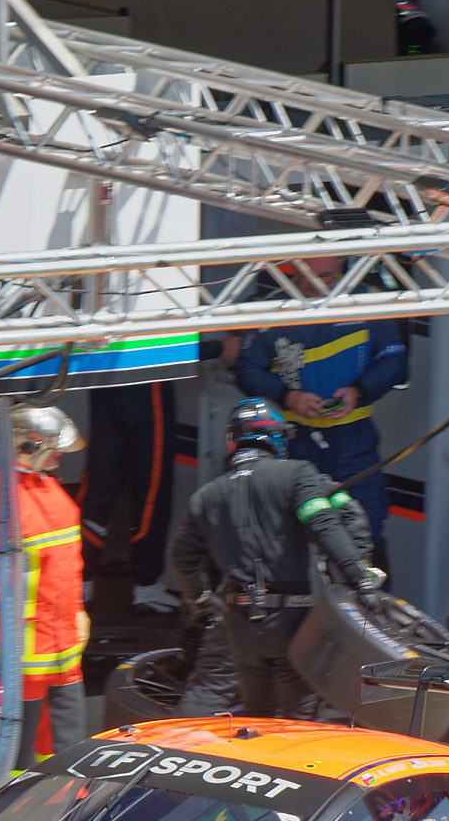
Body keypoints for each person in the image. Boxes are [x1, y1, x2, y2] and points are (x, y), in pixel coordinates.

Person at [168, 398, 378, 719]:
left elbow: (181, 558)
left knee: (254, 715)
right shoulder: (298, 474)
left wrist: (202, 607)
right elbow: (324, 524)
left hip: (239, 622)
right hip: (294, 620)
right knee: (297, 721)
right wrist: (358, 578)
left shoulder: (206, 495)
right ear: (275, 438)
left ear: (231, 441)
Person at [233, 259, 409, 565]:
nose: (315, 284)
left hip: (354, 442)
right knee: (290, 536)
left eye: (325, 276)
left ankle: (369, 608)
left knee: (366, 533)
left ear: (341, 266)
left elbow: (394, 360)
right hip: (294, 443)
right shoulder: (274, 308)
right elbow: (246, 368)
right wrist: (287, 397)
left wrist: (359, 391)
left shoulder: (365, 301)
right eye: (305, 276)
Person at [0, 404, 90, 774]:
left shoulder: (50, 491)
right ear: (29, 445)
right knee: (14, 753)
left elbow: (67, 565)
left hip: (61, 649)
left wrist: (78, 611)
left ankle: (65, 807)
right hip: (15, 656)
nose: (60, 455)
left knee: (67, 747)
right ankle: (8, 818)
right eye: (53, 447)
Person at [79, 381, 178, 614]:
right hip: (148, 381)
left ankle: (82, 581)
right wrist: (218, 349)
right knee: (151, 490)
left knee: (100, 485)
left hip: (108, 381)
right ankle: (146, 585)